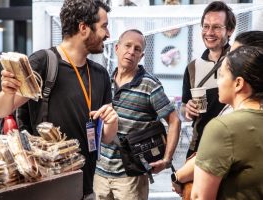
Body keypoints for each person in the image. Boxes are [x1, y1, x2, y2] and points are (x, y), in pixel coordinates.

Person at [0, 0, 118, 199]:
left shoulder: (100, 74)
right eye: (104, 26)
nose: (108, 34)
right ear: (83, 28)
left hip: (85, 188)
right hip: (47, 188)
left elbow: (106, 137)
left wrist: (113, 122)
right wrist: (8, 93)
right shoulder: (44, 62)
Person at [171, 30, 263, 198]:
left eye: (222, 75)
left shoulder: (223, 127)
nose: (218, 82)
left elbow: (201, 195)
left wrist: (177, 177)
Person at [93, 29, 181, 200]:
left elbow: (174, 121)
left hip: (131, 177)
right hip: (100, 173)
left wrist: (166, 159)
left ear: (141, 56)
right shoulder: (104, 80)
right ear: (117, 48)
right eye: (127, 45)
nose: (131, 51)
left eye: (137, 49)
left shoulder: (149, 84)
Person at [181, 1, 236, 159]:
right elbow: (184, 106)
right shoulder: (193, 68)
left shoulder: (240, 61)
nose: (209, 32)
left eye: (217, 27)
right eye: (206, 26)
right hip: (200, 147)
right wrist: (188, 109)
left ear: (230, 30)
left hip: (231, 147)